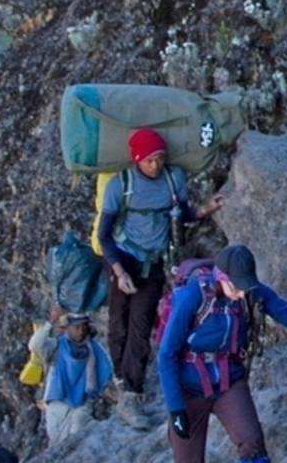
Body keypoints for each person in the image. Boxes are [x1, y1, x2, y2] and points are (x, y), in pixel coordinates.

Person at [158, 244, 287, 463]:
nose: (241, 293)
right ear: (221, 277)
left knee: (254, 447)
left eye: (245, 286)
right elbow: (167, 354)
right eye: (236, 287)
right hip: (189, 389)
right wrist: (176, 408)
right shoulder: (192, 296)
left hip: (229, 383)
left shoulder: (252, 293)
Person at [96, 128, 221, 416]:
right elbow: (104, 235)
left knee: (141, 325)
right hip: (122, 258)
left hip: (151, 263)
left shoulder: (172, 178)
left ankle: (132, 391)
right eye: (149, 160)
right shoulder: (120, 186)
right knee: (119, 322)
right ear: (137, 160)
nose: (155, 165)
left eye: (160, 158)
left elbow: (182, 212)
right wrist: (118, 270)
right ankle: (119, 374)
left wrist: (204, 209)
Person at [28, 312, 113, 445]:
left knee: (76, 439)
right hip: (58, 401)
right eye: (77, 328)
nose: (81, 332)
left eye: (83, 328)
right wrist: (50, 323)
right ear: (68, 328)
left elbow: (107, 370)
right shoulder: (56, 346)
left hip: (82, 403)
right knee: (56, 443)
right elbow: (35, 344)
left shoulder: (94, 349)